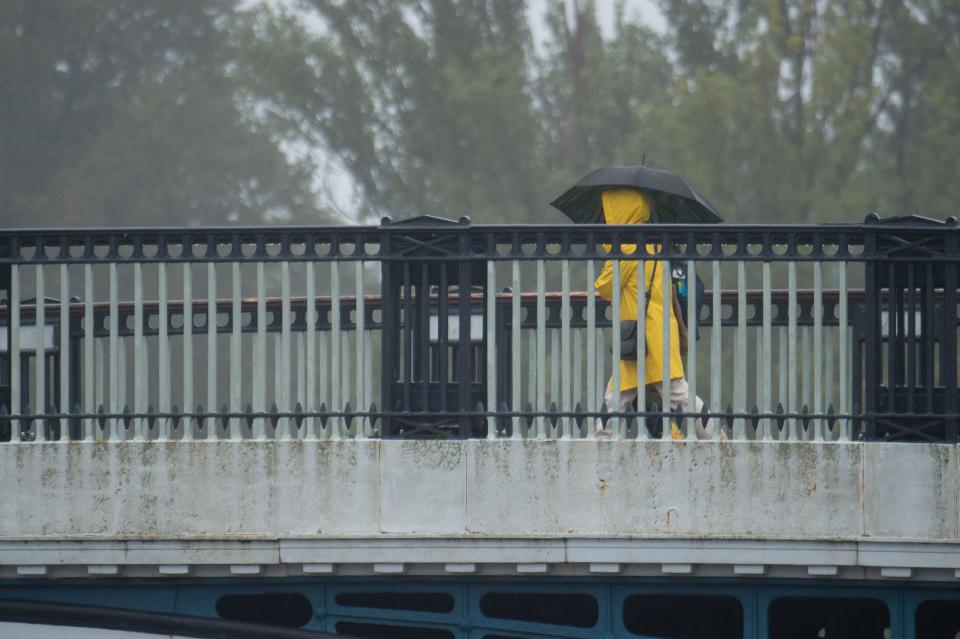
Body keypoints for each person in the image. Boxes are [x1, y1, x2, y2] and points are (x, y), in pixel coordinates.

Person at [594, 188, 715, 440]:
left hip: (641, 333)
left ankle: (715, 437)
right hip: (658, 331)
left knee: (642, 393)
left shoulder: (626, 246)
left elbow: (605, 288)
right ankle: (714, 436)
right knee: (629, 393)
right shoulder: (654, 240)